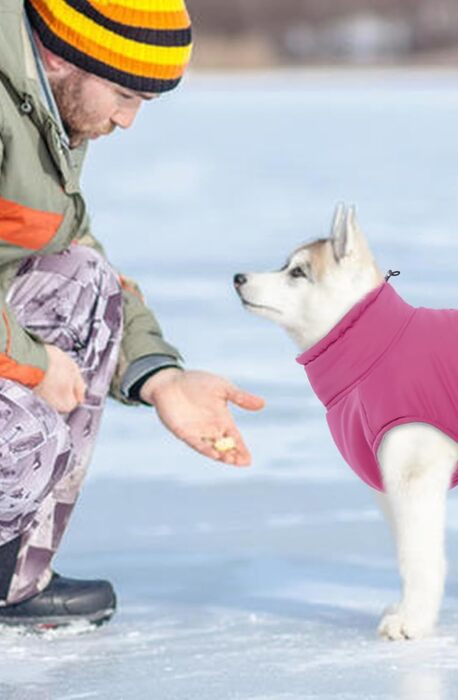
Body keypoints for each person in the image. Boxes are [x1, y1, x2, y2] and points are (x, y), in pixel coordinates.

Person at [0, 0, 265, 628]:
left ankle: (12, 573)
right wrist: (34, 365)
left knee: (85, 281)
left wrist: (159, 376)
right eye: (123, 93)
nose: (128, 119)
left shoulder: (44, 107)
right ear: (64, 55)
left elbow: (76, 249)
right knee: (24, 436)